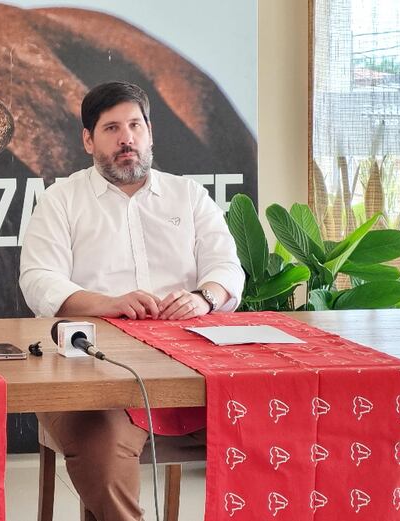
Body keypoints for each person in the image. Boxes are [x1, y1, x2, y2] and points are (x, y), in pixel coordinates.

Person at [19, 81, 244, 520]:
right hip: (93, 369)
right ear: (88, 140)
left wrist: (204, 297)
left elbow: (227, 271)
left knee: (271, 426)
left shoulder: (189, 196)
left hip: (190, 366)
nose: (127, 139)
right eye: (112, 128)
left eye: (135, 126)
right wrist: (106, 303)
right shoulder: (60, 200)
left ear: (150, 132)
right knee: (102, 454)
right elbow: (38, 281)